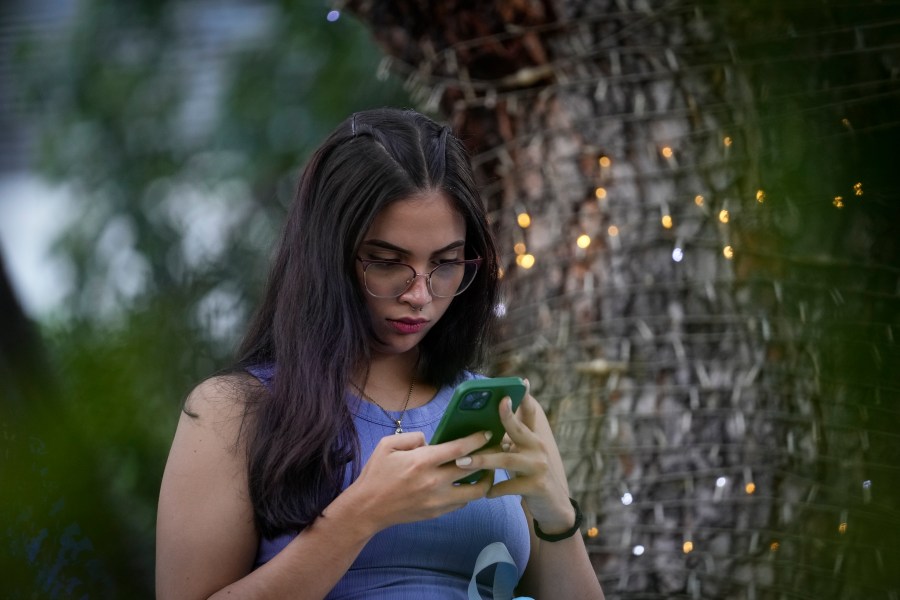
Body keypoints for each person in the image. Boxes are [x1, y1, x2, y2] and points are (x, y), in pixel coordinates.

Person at [155, 108, 603, 599]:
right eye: (389, 263)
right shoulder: (233, 412)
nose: (419, 294)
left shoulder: (506, 414)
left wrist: (556, 518)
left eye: (447, 263)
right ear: (328, 256)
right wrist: (360, 516)